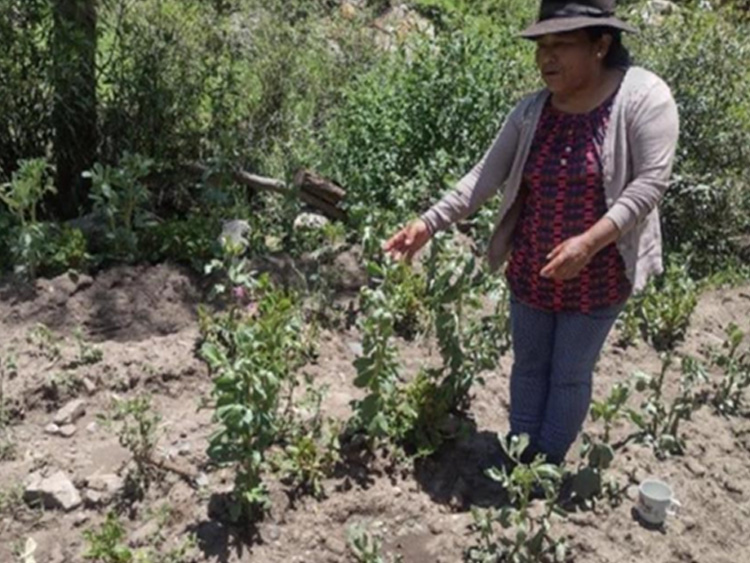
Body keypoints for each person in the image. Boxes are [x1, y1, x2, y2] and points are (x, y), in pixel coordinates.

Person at [383, 0, 679, 465]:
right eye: (541, 45)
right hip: (531, 270)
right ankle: (517, 461)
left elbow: (650, 184)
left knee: (569, 374)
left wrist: (589, 242)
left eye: (562, 44)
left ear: (601, 44)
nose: (546, 57)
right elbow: (483, 176)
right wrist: (427, 223)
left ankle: (546, 466)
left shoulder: (643, 99)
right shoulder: (531, 111)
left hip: (599, 274)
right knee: (529, 366)